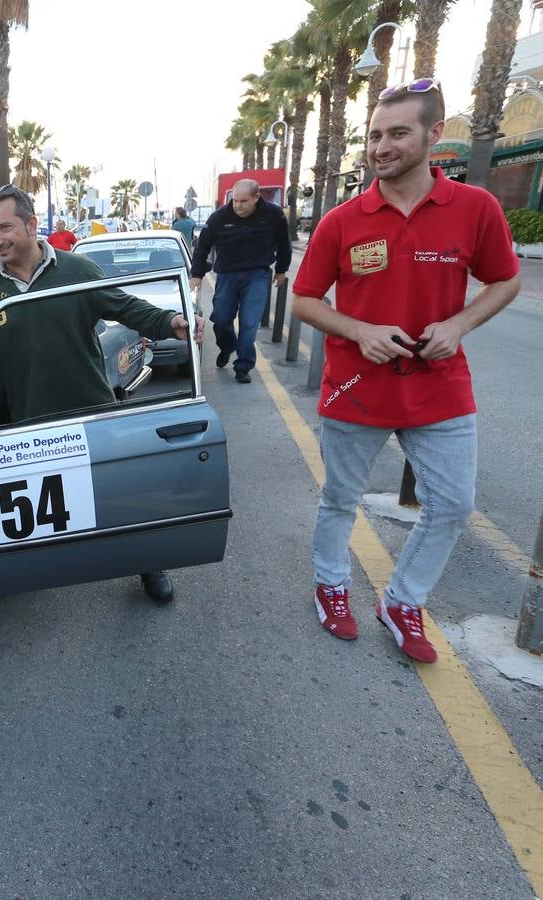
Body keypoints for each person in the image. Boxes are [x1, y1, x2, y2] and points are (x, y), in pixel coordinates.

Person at [292, 78, 520, 664]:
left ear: (434, 135)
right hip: (355, 387)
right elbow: (306, 299)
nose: (382, 147)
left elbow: (506, 279)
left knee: (452, 505)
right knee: (339, 500)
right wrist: (360, 331)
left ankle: (402, 601)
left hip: (441, 387)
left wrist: (460, 325)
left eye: (398, 133)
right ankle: (331, 587)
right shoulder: (343, 219)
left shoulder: (476, 208)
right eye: (374, 135)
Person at [0, 184, 204, 605]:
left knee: (126, 495)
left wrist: (173, 322)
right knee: (47, 511)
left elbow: (129, 309)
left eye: (4, 227)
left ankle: (149, 563)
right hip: (32, 422)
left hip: (94, 409)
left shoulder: (77, 271)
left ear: (30, 224)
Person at [188, 179, 291, 384]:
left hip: (257, 275)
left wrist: (280, 271)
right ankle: (227, 346)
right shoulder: (219, 217)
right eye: (235, 201)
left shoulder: (273, 214)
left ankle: (243, 366)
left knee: (249, 323)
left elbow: (283, 243)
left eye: (243, 201)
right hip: (227, 275)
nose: (238, 205)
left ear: (256, 198)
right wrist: (197, 274)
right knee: (221, 318)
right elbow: (202, 246)